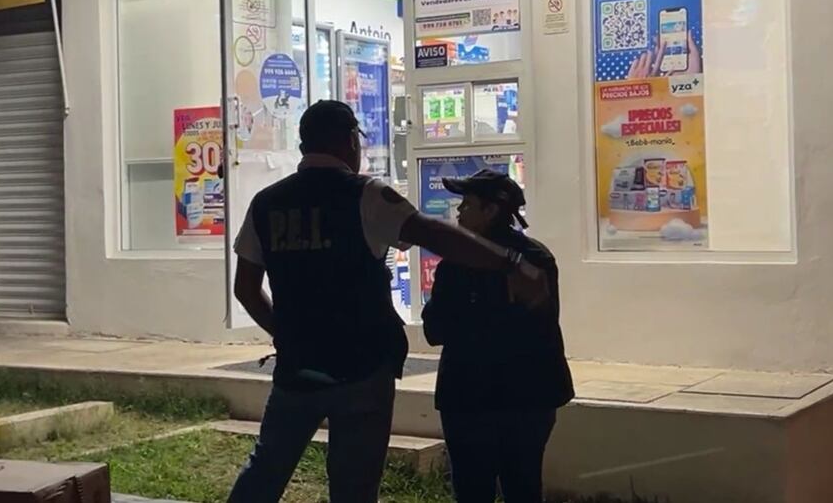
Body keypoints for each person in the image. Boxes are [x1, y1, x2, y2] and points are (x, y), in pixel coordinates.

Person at [227, 100, 549, 503]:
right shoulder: (365, 195)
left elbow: (245, 289)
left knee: (266, 469)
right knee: (355, 485)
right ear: (349, 141)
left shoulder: (265, 203)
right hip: (360, 369)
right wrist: (509, 262)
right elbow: (432, 233)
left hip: (297, 370)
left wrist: (289, 335)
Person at [422, 170, 574, 503]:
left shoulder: (459, 265)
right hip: (531, 397)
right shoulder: (537, 258)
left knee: (473, 488)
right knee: (524, 485)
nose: (458, 212)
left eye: (466, 204)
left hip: (471, 398)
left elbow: (435, 329)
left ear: (490, 211)